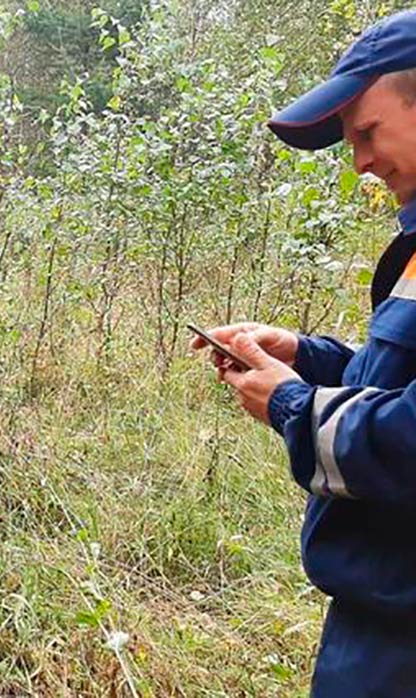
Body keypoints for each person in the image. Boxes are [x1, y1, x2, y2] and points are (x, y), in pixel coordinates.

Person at [194, 10, 416, 695]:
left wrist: (293, 404)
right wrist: (305, 357)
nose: (361, 162)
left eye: (368, 133)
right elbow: (395, 385)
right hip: (378, 620)